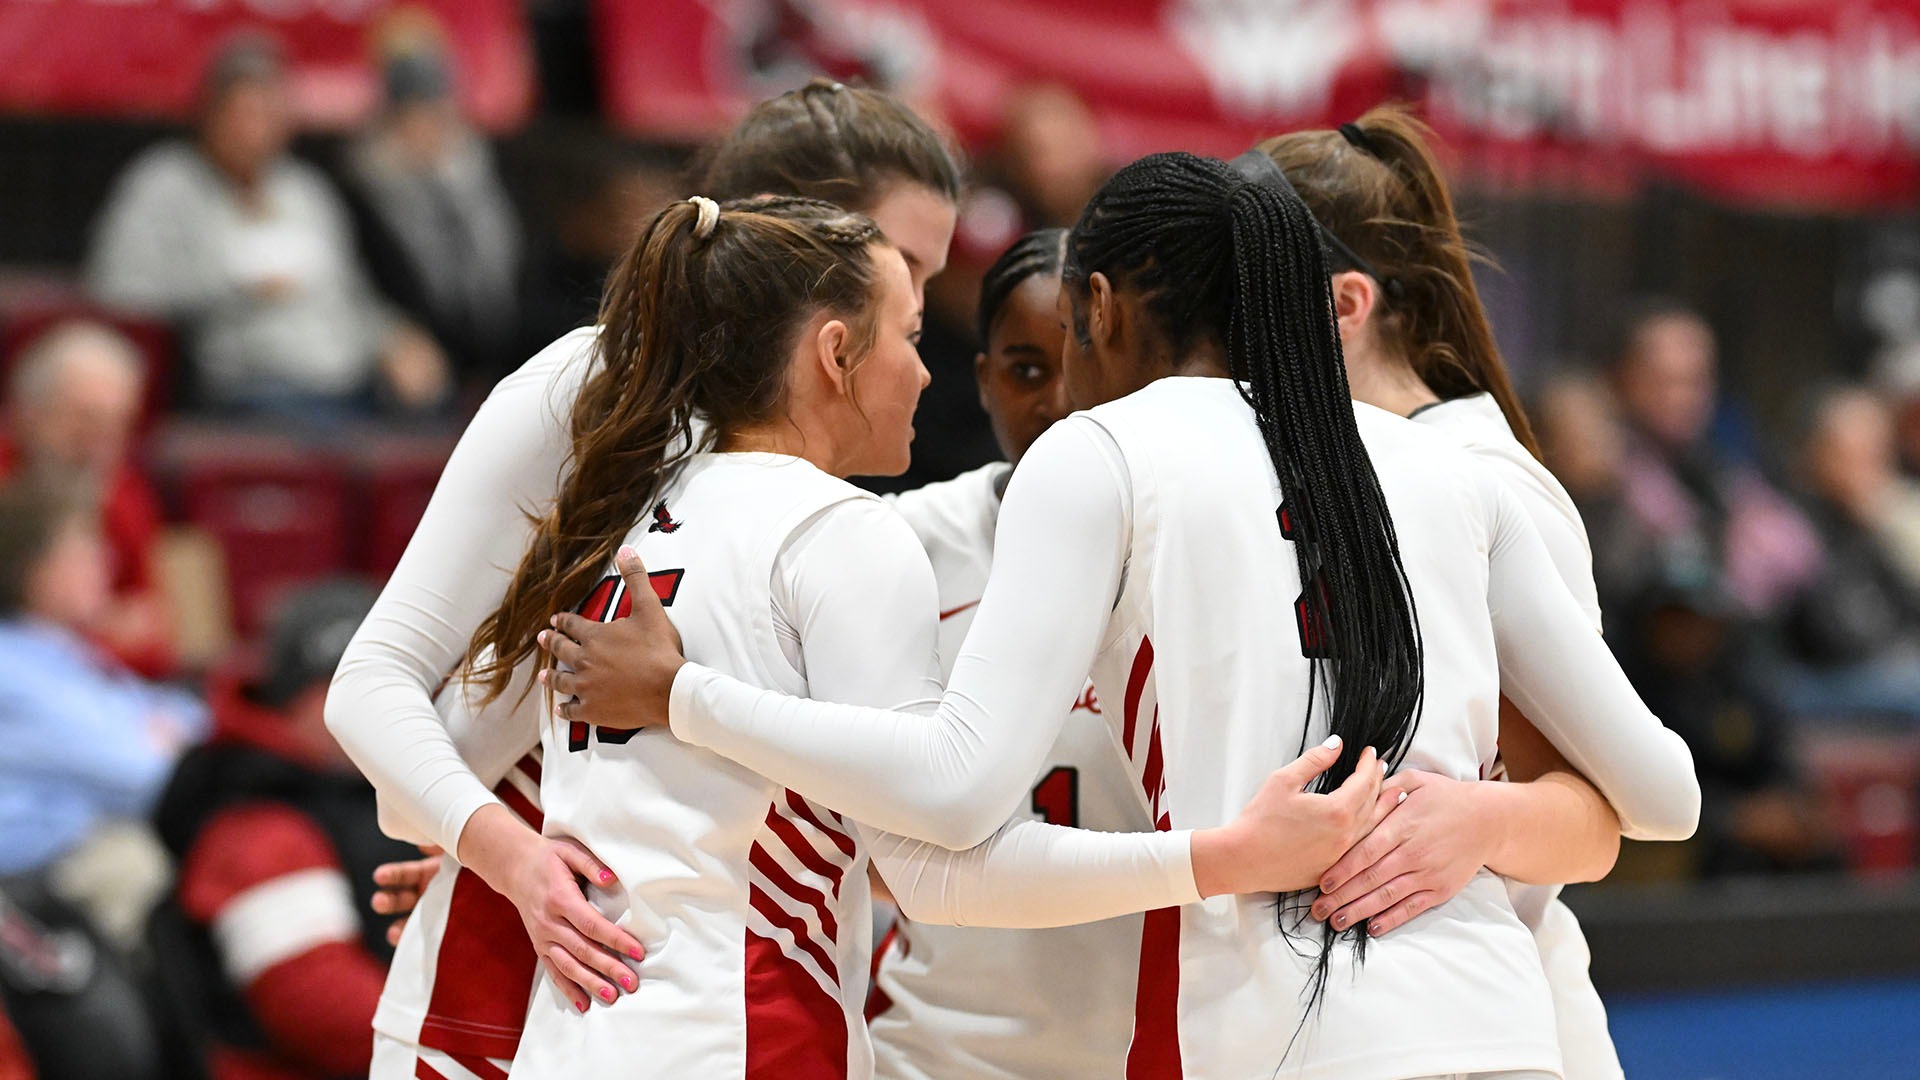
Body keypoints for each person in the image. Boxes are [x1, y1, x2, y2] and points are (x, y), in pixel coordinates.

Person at [548, 152, 1699, 1078]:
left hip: (1273, 1036)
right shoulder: (1455, 471)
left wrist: (683, 696)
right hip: (1500, 1030)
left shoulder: (1100, 453)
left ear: (1097, 304)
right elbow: (1663, 797)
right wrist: (1477, 822)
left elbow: (952, 793)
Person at [326, 79, 965, 1077]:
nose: (917, 309)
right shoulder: (590, 386)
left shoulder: (816, 501)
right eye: (903, 270)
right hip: (512, 966)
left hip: (666, 977)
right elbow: (378, 694)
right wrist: (496, 843)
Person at [1250, 109, 1625, 1079]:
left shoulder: (1484, 480)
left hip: (1500, 1016)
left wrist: (1476, 821)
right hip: (1343, 1020)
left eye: (1239, 297)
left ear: (1345, 305)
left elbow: (1603, 818)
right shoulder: (1304, 470)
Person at [868, 230, 1152, 1078]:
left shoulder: (1200, 547)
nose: (1060, 400)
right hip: (930, 1047)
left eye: (1086, 365)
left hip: (1153, 1047)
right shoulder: (902, 544)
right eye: (1026, 370)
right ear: (983, 376)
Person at [86, 35, 449, 418]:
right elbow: (119, 291)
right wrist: (237, 288)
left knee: (441, 414)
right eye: (243, 114)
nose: (253, 131)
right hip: (247, 387)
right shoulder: (163, 184)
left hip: (348, 379)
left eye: (268, 115)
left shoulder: (308, 192)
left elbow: (350, 295)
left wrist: (394, 339)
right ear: (209, 114)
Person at [153, 580, 414, 1080]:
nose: (374, 711)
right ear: (292, 700)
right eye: (342, 690)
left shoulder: (363, 785)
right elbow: (319, 1011)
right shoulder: (258, 827)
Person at [0, 480, 197, 1080]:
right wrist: (157, 733)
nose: (103, 564)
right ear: (31, 568)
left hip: (86, 859)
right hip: (38, 882)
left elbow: (190, 719)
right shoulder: (12, 666)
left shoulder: (67, 655)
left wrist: (161, 730)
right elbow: (148, 772)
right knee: (158, 871)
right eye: (80, 551)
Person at [0, 321, 174, 677]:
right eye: (85, 419)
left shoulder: (125, 491)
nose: (100, 441)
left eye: (119, 423)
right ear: (28, 412)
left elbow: (158, 636)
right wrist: (97, 627)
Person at [342, 45, 522, 385]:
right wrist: (392, 339)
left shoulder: (476, 173)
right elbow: (356, 288)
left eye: (436, 112)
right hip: (413, 350)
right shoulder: (363, 190)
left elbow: (507, 269)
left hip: (492, 344)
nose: (427, 127)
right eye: (414, 114)